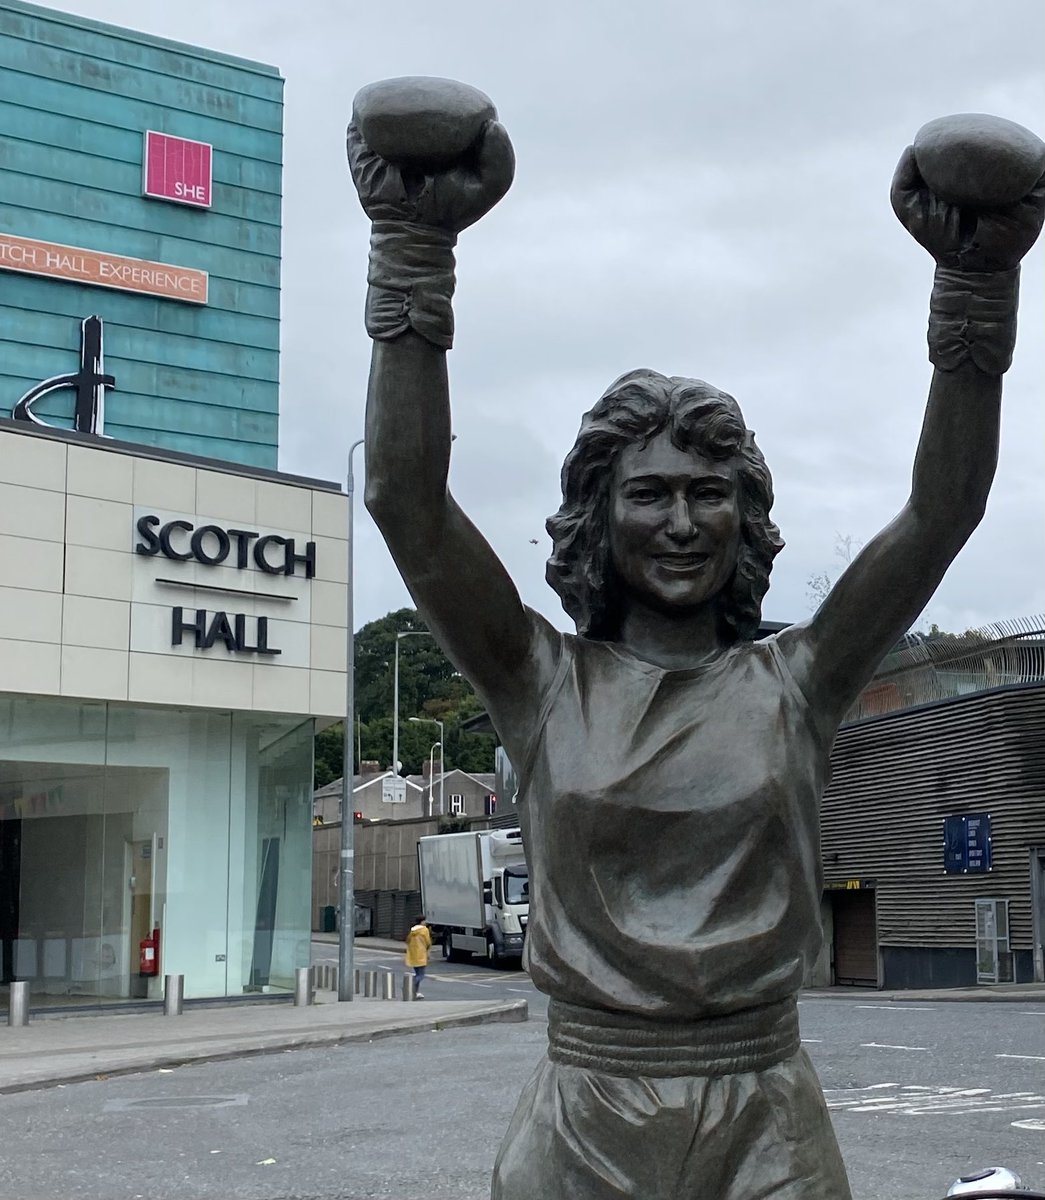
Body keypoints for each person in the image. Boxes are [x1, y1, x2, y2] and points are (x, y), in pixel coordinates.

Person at [348, 104, 1044, 1199]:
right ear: (599, 517)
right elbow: (405, 500)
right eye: (650, 495)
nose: (681, 523)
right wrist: (411, 251)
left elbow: (942, 509)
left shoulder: (798, 683)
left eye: (708, 495)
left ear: (743, 516)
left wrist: (975, 286)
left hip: (764, 1109)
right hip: (582, 1115)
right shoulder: (539, 683)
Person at [404, 915, 431, 999]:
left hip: (413, 955)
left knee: (417, 973)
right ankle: (409, 986)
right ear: (422, 921)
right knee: (421, 975)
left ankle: (415, 992)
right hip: (421, 954)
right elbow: (428, 942)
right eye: (424, 921)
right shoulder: (424, 930)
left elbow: (407, 941)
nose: (425, 922)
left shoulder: (412, 931)